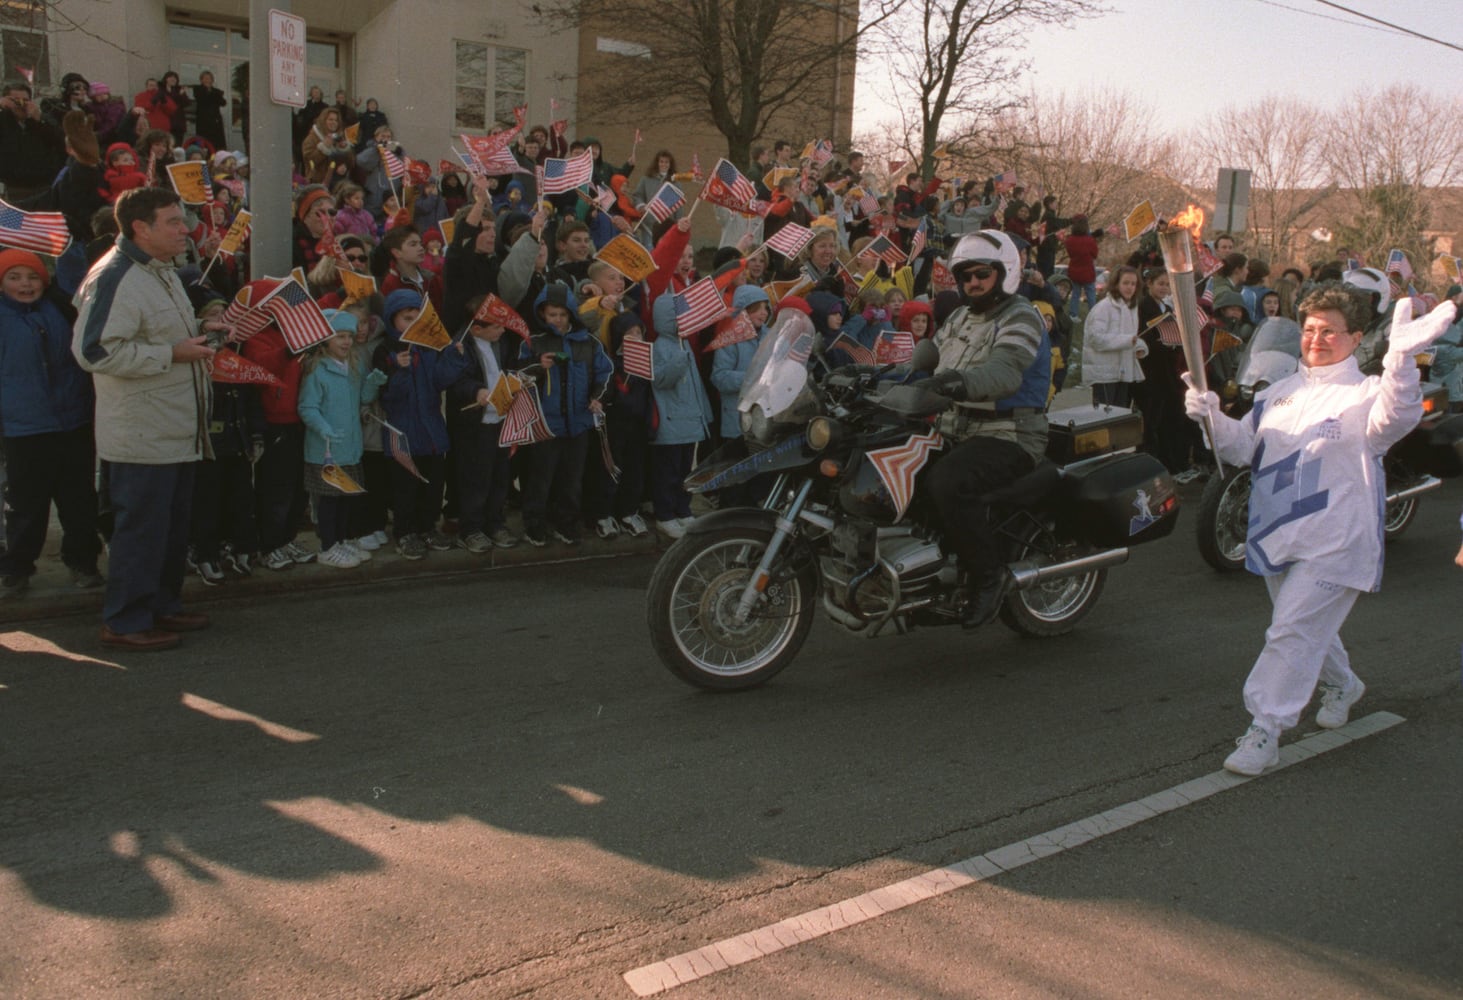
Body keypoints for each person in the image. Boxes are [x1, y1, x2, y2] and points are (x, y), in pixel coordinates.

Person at [1183, 284, 1460, 775]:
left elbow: (1398, 417)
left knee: (1290, 628)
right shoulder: (1277, 395)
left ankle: (1265, 728)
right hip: (1278, 532)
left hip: (1337, 537)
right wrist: (1211, 418)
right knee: (1306, 626)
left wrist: (1400, 359)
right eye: (1310, 329)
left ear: (1355, 338)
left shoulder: (1367, 393)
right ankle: (1343, 684)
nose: (1317, 339)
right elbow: (1244, 451)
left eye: (1330, 331)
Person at [71, 187, 217, 650]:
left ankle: (160, 606)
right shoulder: (115, 275)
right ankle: (126, 621)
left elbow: (157, 331)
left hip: (173, 427)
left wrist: (203, 329)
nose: (185, 229)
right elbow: (92, 350)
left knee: (169, 530)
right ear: (140, 227)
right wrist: (172, 353)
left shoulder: (160, 269)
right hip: (141, 432)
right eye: (173, 221)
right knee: (143, 531)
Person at [921, 230, 1047, 626]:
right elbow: (927, 360)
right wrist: (870, 377)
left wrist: (956, 382)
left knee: (947, 482)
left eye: (981, 274)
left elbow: (1004, 371)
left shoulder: (1022, 316)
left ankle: (989, 577)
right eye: (965, 276)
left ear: (1004, 272)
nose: (972, 283)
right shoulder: (959, 316)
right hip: (955, 428)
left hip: (1008, 433)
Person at [0, 250, 102, 599]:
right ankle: (17, 568)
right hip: (24, 426)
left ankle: (83, 562)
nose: (24, 284)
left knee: (79, 500)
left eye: (31, 277)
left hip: (73, 420)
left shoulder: (62, 309)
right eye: (14, 277)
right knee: (27, 503)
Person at [297, 310, 387, 569]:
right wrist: (323, 427)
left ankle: (342, 539)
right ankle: (327, 546)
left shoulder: (354, 366)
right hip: (325, 449)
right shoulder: (317, 370)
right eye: (339, 336)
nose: (346, 342)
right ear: (325, 339)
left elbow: (362, 399)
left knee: (347, 497)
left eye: (348, 336)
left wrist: (373, 383)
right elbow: (307, 407)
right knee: (329, 500)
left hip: (350, 446)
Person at [1082, 264, 1145, 407]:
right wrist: (1128, 341)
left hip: (1123, 372)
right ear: (1116, 284)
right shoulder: (1104, 308)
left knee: (1120, 419)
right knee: (1105, 418)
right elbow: (1095, 339)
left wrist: (1139, 346)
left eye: (1133, 284)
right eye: (1125, 283)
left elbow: (1130, 338)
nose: (1130, 287)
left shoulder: (1131, 308)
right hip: (1105, 375)